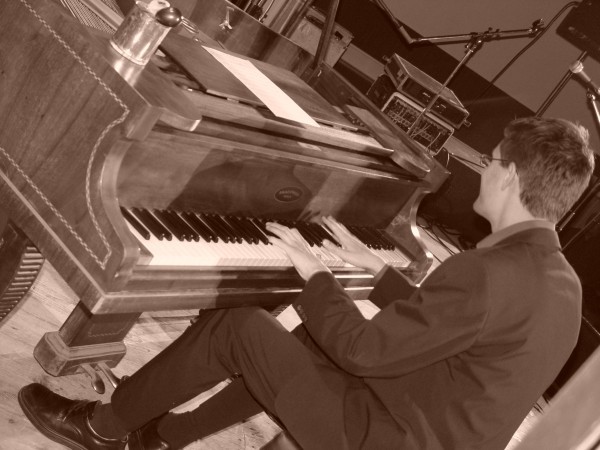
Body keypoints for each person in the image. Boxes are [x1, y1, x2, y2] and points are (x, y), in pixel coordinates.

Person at [18, 116, 595, 450]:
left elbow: (363, 351)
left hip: (381, 436)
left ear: (511, 177)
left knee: (240, 327)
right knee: (306, 339)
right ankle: (165, 436)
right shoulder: (562, 287)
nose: (485, 170)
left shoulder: (487, 272)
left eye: (491, 161)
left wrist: (315, 272)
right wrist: (380, 276)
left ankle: (104, 428)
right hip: (429, 429)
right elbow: (461, 334)